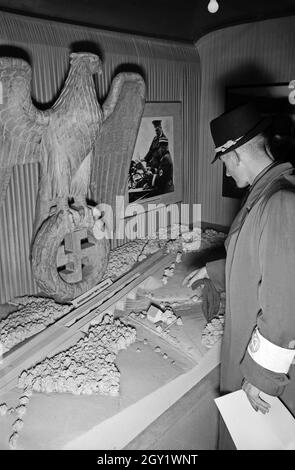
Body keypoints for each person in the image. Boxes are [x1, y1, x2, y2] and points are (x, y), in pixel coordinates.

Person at [183, 102, 295, 449]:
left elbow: (286, 300)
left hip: (263, 371)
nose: (227, 173)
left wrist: (263, 377)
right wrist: (215, 271)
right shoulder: (268, 192)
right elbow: (258, 258)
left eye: (225, 164)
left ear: (232, 155)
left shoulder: (280, 203)